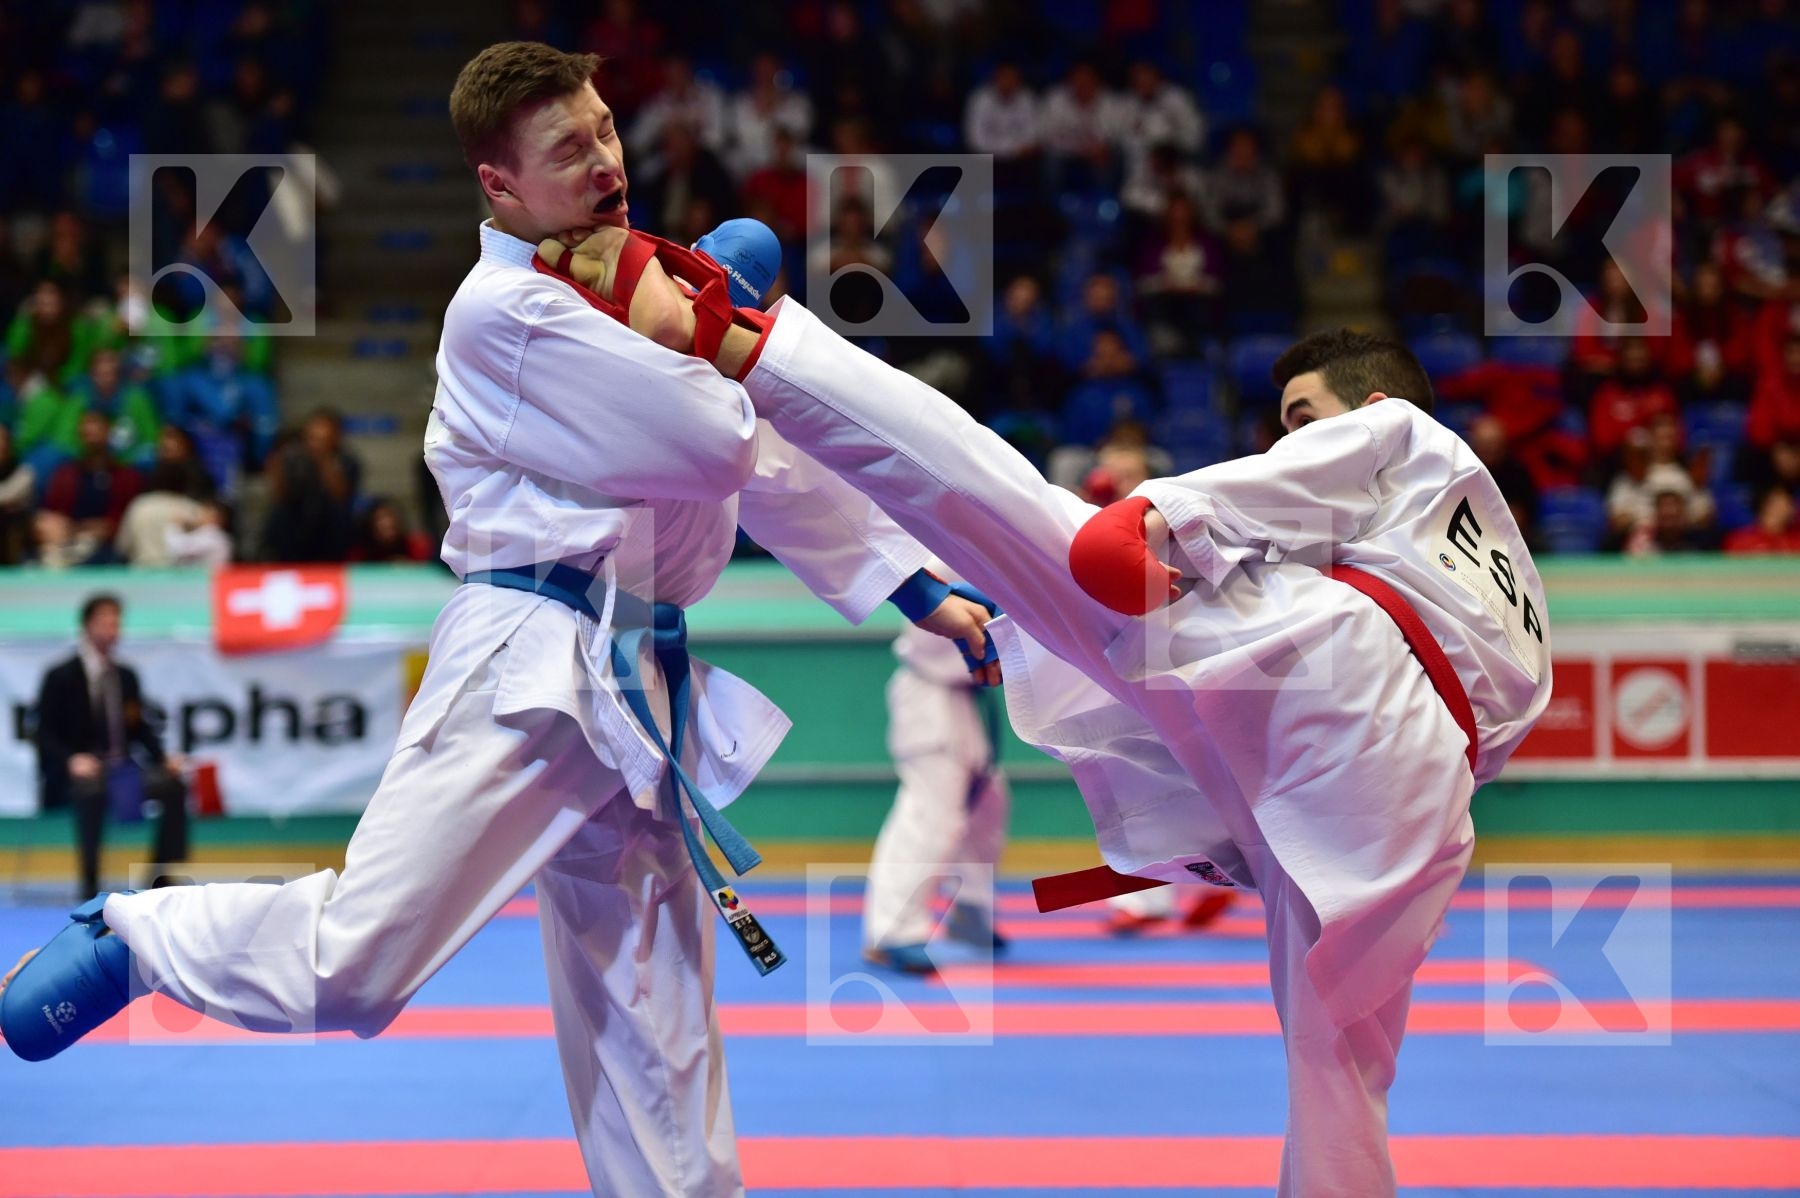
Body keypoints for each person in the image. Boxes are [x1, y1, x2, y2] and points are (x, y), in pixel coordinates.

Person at [0, 43, 992, 1198]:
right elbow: (716, 438)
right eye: (568, 152)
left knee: (653, 1020)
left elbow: (764, 459)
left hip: (634, 688)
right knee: (355, 968)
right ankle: (141, 935)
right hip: (525, 664)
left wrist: (916, 587)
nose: (607, 163)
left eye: (608, 131)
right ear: (501, 188)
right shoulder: (507, 311)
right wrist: (714, 320)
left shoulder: (637, 284)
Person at [527, 241, 1550, 1198]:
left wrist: (1167, 517)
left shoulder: (1399, 429)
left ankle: (747, 337)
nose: (1288, 434)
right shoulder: (1509, 580)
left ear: (1364, 403)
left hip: (1350, 678)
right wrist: (1269, 815)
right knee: (1340, 1074)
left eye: (1298, 415)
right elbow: (1466, 736)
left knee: (1026, 517)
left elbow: (1262, 499)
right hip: (1418, 810)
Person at [863, 563, 1011, 975]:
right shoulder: (945, 542)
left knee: (988, 805)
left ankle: (970, 910)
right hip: (930, 694)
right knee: (931, 814)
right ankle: (892, 931)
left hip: (961, 698)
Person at [33, 594, 189, 900]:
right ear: (87, 626)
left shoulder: (125, 676)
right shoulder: (61, 676)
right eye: (105, 621)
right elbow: (43, 732)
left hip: (123, 768)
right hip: (82, 771)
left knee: (172, 785)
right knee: (89, 790)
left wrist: (162, 757)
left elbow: (139, 726)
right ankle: (89, 883)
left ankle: (158, 879)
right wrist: (71, 760)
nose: (112, 628)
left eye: (116, 622)